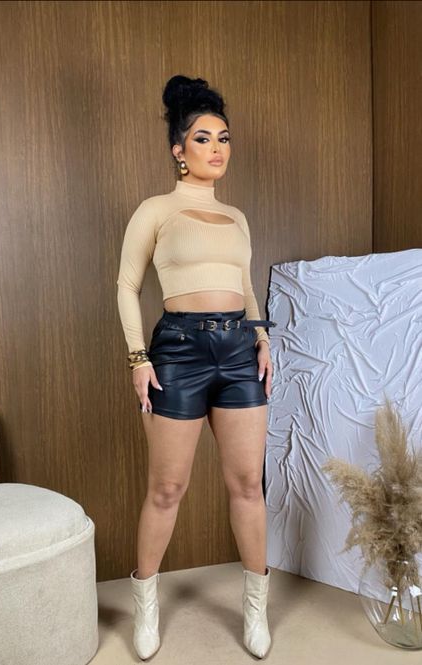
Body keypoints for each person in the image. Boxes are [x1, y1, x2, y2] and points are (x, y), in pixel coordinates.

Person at [116, 74, 276, 660]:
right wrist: (139, 358)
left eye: (223, 138)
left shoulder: (237, 216)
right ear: (179, 150)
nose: (216, 148)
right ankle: (145, 605)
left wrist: (260, 337)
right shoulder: (156, 210)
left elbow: (245, 286)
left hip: (238, 351)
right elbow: (127, 285)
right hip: (178, 352)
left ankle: (256, 609)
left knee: (248, 484)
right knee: (167, 488)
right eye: (203, 138)